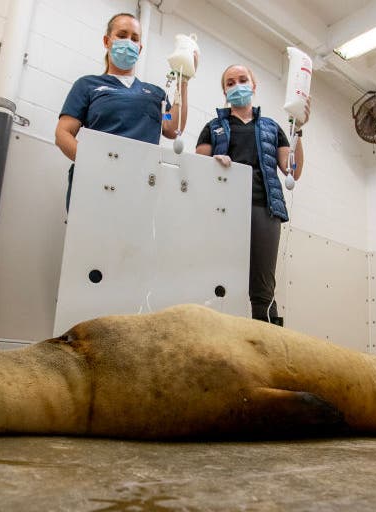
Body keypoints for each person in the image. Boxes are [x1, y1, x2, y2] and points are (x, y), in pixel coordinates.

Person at [195, 64, 309, 324]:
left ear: (253, 86)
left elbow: (293, 169)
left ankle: (268, 350)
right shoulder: (213, 127)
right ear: (224, 90)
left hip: (263, 208)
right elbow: (197, 169)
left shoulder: (271, 127)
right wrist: (213, 162)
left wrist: (298, 129)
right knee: (217, 279)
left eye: (242, 80)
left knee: (262, 287)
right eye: (230, 82)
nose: (237, 86)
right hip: (222, 208)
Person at [55, 12, 193, 209]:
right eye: (122, 35)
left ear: (140, 48)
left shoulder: (156, 95)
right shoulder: (88, 86)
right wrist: (94, 163)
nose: (128, 42)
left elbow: (171, 127)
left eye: (134, 38)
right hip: (94, 183)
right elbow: (63, 133)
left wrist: (184, 80)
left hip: (141, 185)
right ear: (107, 40)